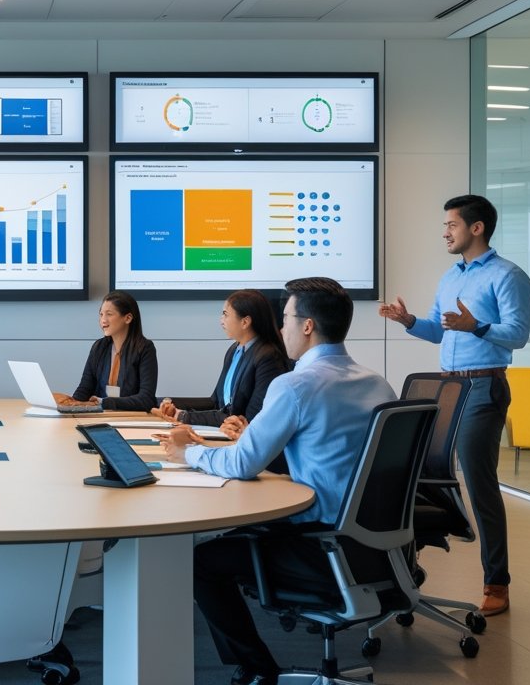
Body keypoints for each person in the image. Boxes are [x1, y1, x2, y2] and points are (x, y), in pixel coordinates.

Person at [160, 277, 396, 685]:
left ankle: (259, 670)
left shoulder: (295, 385)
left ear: (307, 326)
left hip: (320, 545)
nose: (281, 327)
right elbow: (329, 451)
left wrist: (188, 453)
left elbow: (242, 464)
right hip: (377, 548)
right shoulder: (378, 383)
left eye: (286, 318)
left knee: (202, 562)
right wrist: (253, 436)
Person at [379, 194, 530, 618]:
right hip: (448, 387)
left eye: (452, 225)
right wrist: (409, 321)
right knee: (421, 471)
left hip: (484, 385)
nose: (445, 232)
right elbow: (439, 331)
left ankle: (496, 582)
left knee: (480, 485)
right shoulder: (451, 276)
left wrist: (476, 326)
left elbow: (518, 334)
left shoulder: (508, 275)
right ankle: (409, 569)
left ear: (476, 228)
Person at [156, 289, 290, 437]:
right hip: (225, 433)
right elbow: (215, 402)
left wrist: (184, 416)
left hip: (242, 438)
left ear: (245, 322)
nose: (221, 321)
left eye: (226, 314)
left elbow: (246, 419)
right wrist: (172, 403)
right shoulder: (234, 350)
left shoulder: (268, 357)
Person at [54, 290, 157, 411]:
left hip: (132, 417)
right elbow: (84, 390)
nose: (103, 320)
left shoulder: (145, 348)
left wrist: (104, 403)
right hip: (101, 416)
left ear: (128, 318)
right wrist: (70, 405)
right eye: (101, 314)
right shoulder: (99, 347)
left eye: (109, 314)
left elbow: (146, 399)